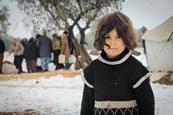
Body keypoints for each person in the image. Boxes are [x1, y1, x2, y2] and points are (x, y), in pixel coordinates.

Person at [80, 12, 155, 115]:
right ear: (101, 38)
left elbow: (147, 109)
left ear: (127, 38)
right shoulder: (92, 70)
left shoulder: (136, 70)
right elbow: (86, 109)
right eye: (108, 37)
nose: (113, 43)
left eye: (118, 37)